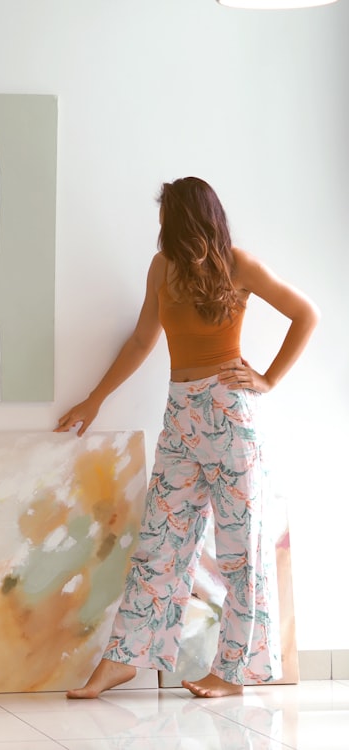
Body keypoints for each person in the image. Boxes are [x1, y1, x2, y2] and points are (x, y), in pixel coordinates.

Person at [55, 177, 319, 699]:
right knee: (160, 542)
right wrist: (95, 399)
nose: (158, 228)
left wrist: (266, 379)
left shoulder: (238, 264)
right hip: (181, 416)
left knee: (241, 547)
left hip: (230, 414)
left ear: (188, 219)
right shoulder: (162, 268)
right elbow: (140, 341)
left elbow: (305, 314)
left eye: (166, 217)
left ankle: (234, 671)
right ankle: (125, 659)